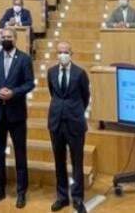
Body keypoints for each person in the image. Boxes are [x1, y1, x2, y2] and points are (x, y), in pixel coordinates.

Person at [0, 27, 35, 208]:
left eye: (9, 37)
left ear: (15, 39)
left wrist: (13, 92)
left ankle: (22, 191)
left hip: (17, 114)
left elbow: (30, 83)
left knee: (20, 153)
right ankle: (0, 188)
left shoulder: (24, 58)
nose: (6, 39)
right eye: (3, 37)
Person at [47, 41, 90, 213]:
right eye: (60, 52)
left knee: (77, 162)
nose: (62, 55)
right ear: (56, 54)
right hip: (56, 122)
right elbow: (53, 93)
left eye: (66, 52)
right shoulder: (51, 72)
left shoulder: (80, 73)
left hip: (75, 123)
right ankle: (62, 197)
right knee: (59, 161)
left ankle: (78, 198)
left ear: (71, 54)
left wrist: (75, 111)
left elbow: (85, 97)